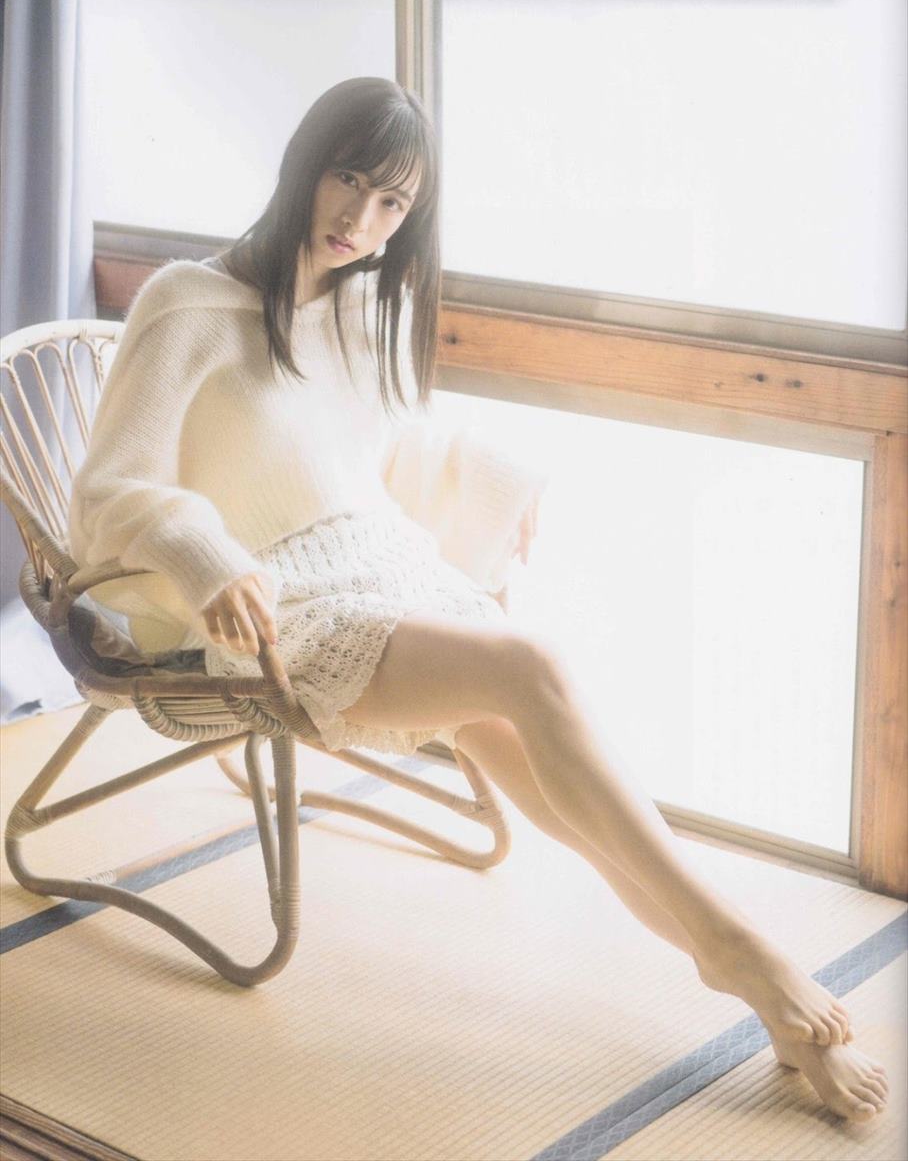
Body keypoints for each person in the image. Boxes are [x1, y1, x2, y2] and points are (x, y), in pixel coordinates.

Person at [69, 77, 888, 1123]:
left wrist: (492, 475)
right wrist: (202, 552)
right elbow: (111, 487)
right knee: (530, 667)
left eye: (392, 204)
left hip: (387, 568)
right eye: (348, 179)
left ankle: (751, 986)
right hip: (283, 607)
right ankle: (746, 950)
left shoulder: (355, 307)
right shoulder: (185, 303)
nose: (361, 220)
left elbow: (380, 456)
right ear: (306, 163)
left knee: (568, 799)